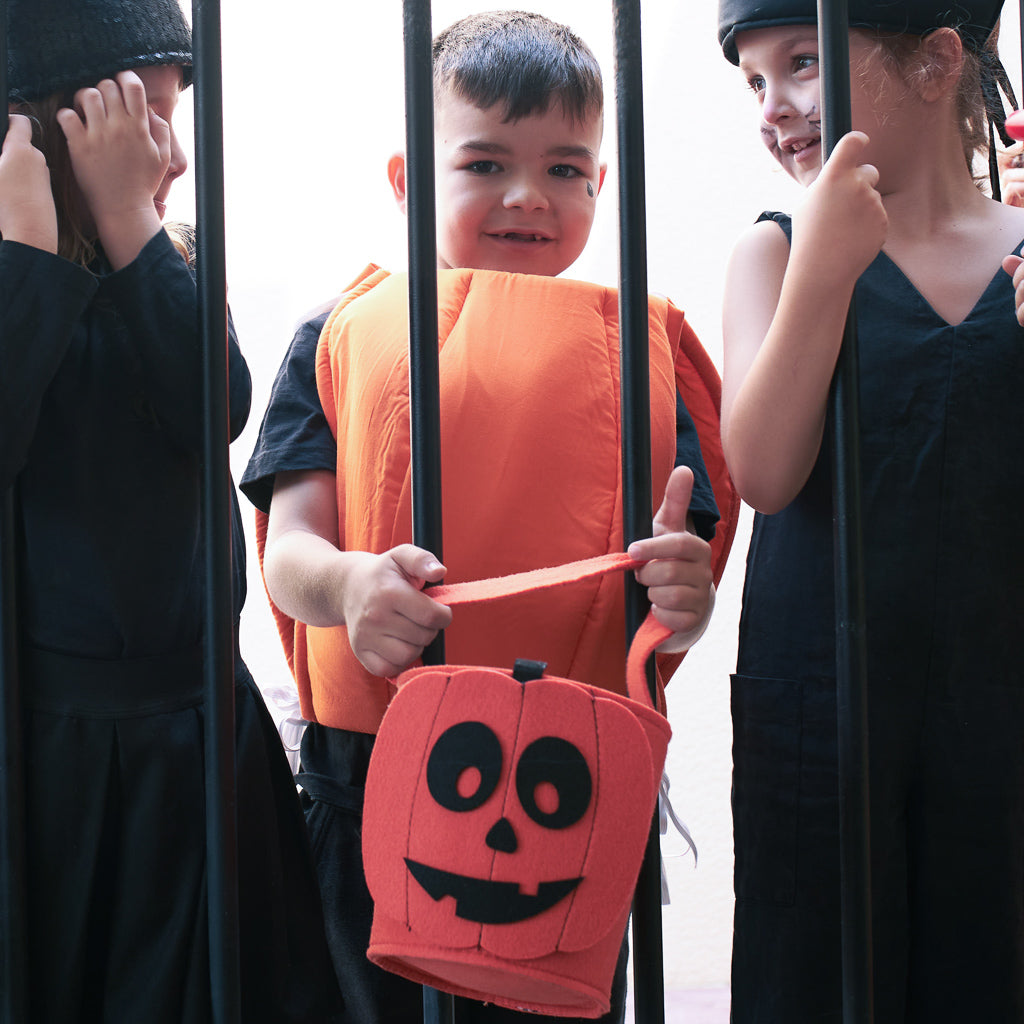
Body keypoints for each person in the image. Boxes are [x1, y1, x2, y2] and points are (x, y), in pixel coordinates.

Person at [242, 11, 734, 1024]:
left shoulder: (651, 347)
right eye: (484, 162)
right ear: (406, 178)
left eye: (565, 167)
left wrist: (686, 595)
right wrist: (347, 583)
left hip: (576, 780)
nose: (527, 195)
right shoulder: (342, 331)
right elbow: (291, 544)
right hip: (372, 767)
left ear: (601, 184)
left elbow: (674, 588)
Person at [0, 1, 342, 1020]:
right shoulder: (12, 271)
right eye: (144, 117)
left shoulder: (174, 257)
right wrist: (26, 260)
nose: (175, 155)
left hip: (195, 727)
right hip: (45, 739)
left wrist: (126, 220)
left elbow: (214, 406)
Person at [717, 0, 1024, 1019]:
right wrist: (822, 266)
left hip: (998, 709)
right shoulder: (772, 253)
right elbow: (763, 470)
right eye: (753, 80)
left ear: (938, 61)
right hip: (822, 717)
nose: (774, 107)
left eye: (802, 62)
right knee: (821, 973)